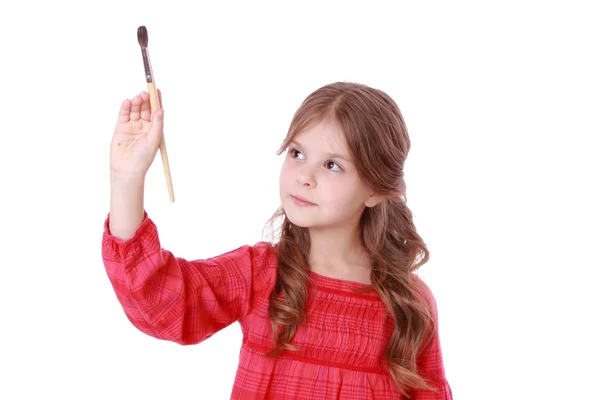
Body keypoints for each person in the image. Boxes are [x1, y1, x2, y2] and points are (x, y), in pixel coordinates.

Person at [102, 81, 452, 399]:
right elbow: (158, 302)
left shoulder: (408, 305)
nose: (304, 176)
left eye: (332, 165)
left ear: (376, 190)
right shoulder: (261, 275)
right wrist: (126, 179)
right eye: (297, 154)